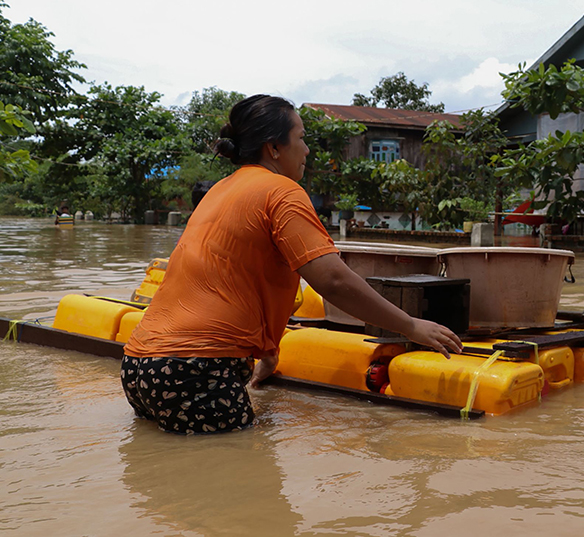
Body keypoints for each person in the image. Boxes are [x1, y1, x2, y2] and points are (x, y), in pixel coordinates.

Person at [121, 94, 462, 435]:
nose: (308, 150)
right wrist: (411, 325)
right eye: (301, 138)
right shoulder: (282, 192)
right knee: (244, 480)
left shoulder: (221, 190)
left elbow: (234, 274)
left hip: (140, 365)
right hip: (196, 367)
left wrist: (268, 352)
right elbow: (333, 280)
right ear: (274, 147)